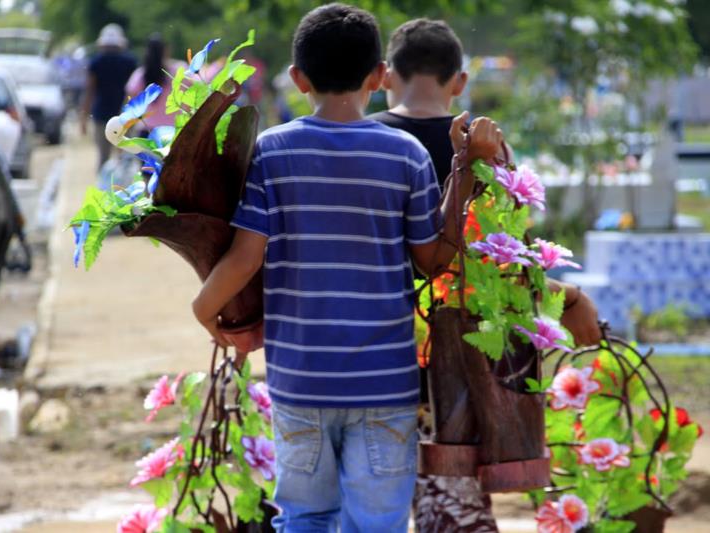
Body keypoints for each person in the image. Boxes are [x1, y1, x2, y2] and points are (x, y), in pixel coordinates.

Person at [191, 4, 505, 531]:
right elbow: (432, 260)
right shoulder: (404, 155)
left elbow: (246, 258)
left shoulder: (272, 151)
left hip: (300, 382)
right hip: (384, 383)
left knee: (305, 515)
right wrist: (465, 174)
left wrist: (204, 310)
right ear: (379, 76)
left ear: (297, 79)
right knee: (377, 521)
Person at [370, 18, 602, 532]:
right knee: (452, 499)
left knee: (382, 500)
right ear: (461, 82)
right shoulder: (483, 149)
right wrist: (569, 297)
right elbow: (505, 259)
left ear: (385, 77)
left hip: (379, 351)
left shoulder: (371, 144)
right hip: (465, 349)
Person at [80, 24, 137, 170]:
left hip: (101, 114)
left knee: (103, 157)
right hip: (125, 114)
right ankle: (123, 189)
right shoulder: (130, 62)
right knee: (124, 157)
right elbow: (134, 90)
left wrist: (83, 118)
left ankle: (103, 189)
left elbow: (90, 91)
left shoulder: (96, 62)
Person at [125, 33, 186, 132]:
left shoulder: (140, 74)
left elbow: (130, 104)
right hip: (174, 130)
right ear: (166, 50)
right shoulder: (179, 70)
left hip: (147, 130)